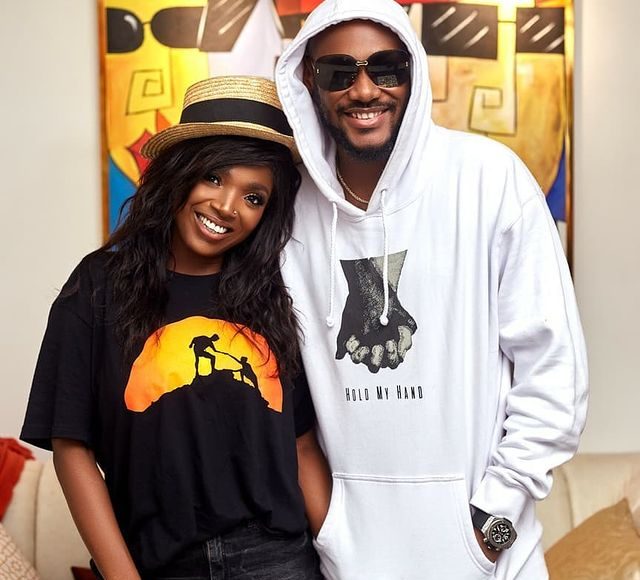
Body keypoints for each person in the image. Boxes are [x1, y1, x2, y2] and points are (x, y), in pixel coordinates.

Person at [274, 1, 588, 579]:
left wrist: (490, 528)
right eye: (338, 72)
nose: (364, 89)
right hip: (351, 564)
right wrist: (332, 535)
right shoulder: (289, 211)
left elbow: (554, 374)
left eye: (386, 68)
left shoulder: (488, 178)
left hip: (491, 559)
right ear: (309, 84)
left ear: (413, 72)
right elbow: (282, 400)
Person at [20, 76, 326, 579]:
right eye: (214, 177)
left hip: (276, 560)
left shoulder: (275, 294)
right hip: (156, 563)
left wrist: (347, 559)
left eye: (253, 198)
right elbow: (72, 448)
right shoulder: (98, 287)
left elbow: (301, 445)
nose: (227, 207)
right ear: (179, 173)